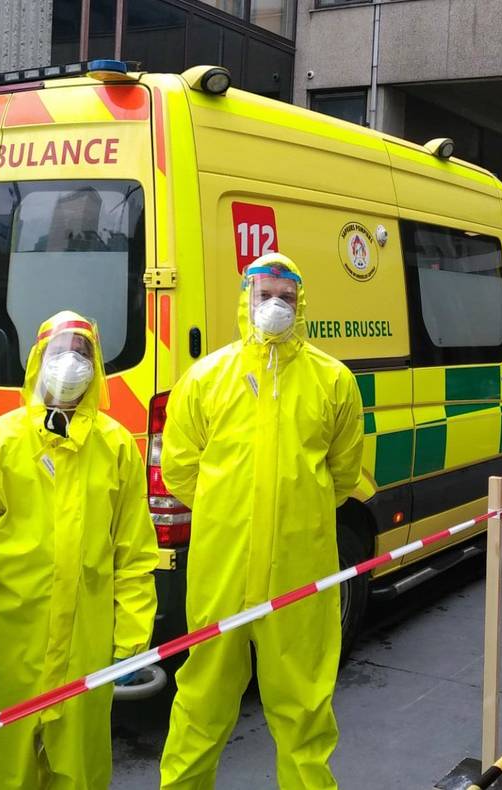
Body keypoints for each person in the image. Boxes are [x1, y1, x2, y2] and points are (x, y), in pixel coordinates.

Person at [158, 253, 364, 790]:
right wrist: (230, 512)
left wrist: (295, 511)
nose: (275, 305)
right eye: (264, 295)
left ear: (302, 304)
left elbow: (343, 474)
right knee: (201, 703)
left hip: (300, 572)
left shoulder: (332, 381)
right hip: (221, 572)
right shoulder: (206, 379)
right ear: (244, 300)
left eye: (286, 297)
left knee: (304, 708)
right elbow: (180, 469)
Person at [0, 310, 157, 789]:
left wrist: (131, 644)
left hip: (84, 653)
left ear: (97, 367)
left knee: (79, 775)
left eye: (83, 352)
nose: (71, 362)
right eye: (59, 352)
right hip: (7, 651)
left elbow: (133, 555)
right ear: (37, 362)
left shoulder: (115, 446)